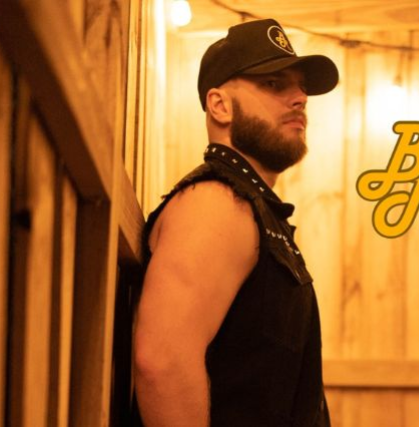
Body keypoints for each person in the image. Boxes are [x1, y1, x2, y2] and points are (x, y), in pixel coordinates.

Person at [133, 18, 339, 426]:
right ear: (220, 106)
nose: (300, 98)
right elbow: (163, 363)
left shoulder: (250, 208)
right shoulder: (216, 203)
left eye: (300, 88)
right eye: (275, 84)